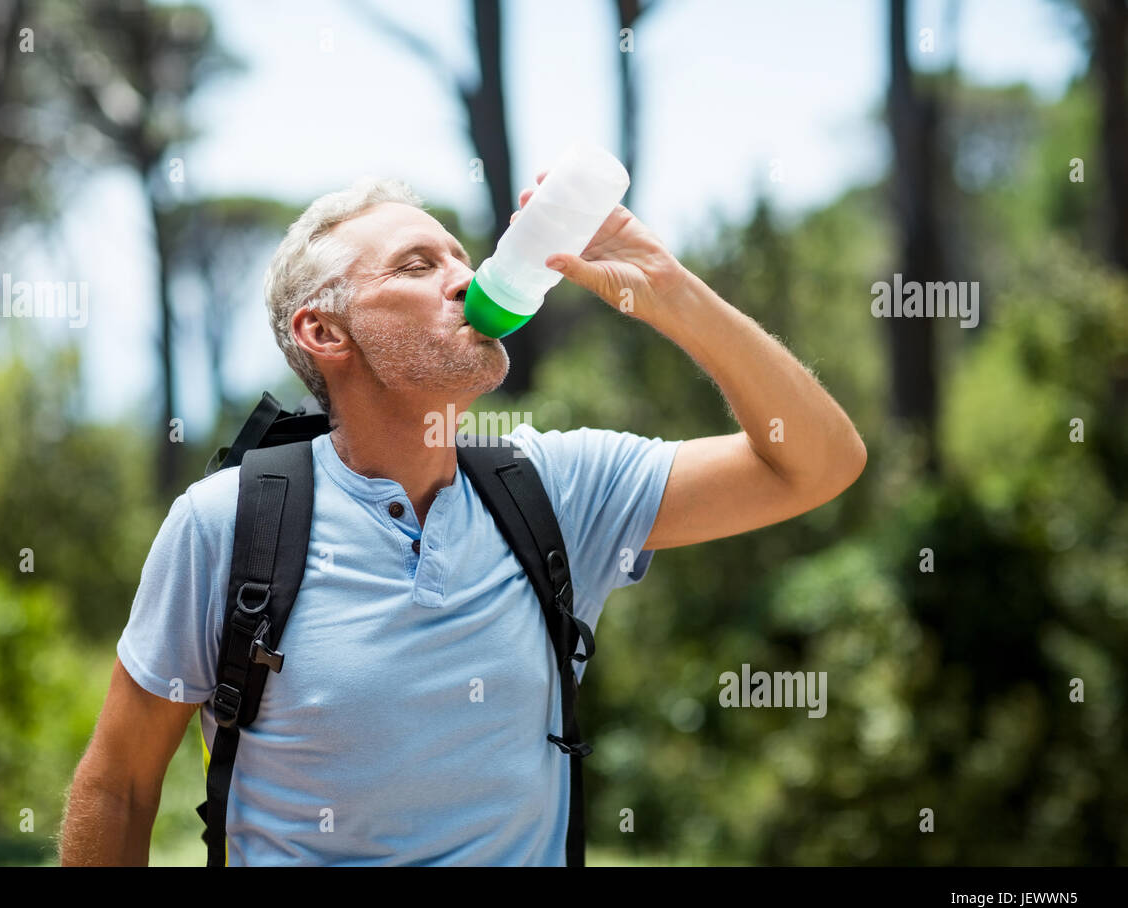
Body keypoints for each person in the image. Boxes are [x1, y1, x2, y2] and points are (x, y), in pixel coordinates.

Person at [59, 172, 866, 866]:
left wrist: (670, 291)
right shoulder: (230, 524)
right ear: (324, 331)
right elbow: (120, 783)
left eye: (459, 257)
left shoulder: (554, 488)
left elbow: (819, 463)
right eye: (418, 265)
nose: (462, 278)